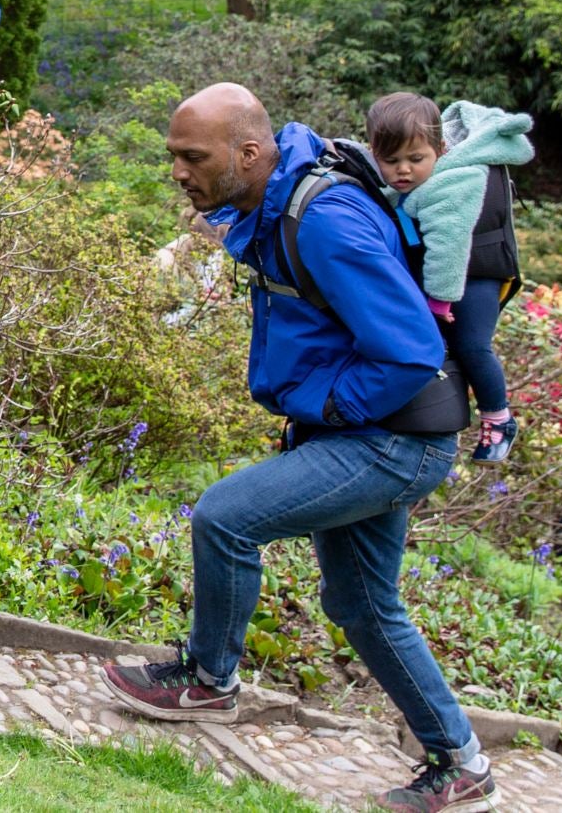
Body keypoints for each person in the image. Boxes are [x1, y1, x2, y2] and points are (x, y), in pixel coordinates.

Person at [107, 83, 494, 813]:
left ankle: (209, 680)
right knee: (363, 604)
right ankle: (461, 763)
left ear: (249, 154)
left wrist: (327, 407)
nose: (179, 172)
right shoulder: (276, 205)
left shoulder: (323, 221)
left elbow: (411, 350)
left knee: (224, 517)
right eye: (174, 157)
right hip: (379, 430)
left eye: (192, 157)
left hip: (391, 438)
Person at [367, 93, 535, 463]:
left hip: (476, 277)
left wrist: (439, 301)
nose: (404, 171)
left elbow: (449, 246)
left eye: (416, 159)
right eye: (390, 161)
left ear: (440, 150)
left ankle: (499, 416)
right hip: (458, 274)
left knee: (472, 346)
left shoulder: (453, 182)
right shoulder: (415, 182)